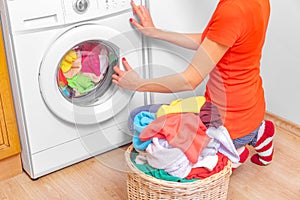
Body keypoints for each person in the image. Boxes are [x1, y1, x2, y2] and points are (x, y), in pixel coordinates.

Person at [112, 0, 275, 170]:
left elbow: (189, 80)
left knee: (138, 121)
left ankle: (229, 153)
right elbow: (212, 41)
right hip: (252, 109)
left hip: (226, 125)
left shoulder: (232, 10)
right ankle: (258, 133)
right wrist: (156, 32)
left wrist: (138, 84)